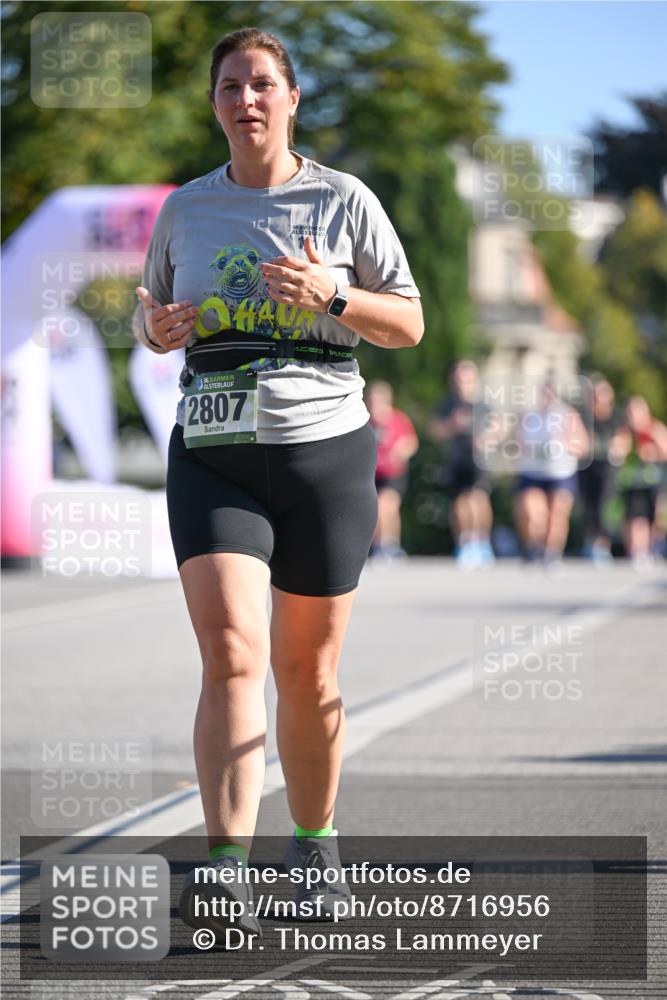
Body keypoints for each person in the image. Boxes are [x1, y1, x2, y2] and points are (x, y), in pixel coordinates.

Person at [133, 27, 422, 939]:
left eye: (261, 85)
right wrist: (158, 332)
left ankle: (314, 845)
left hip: (324, 453)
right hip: (214, 451)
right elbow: (150, 314)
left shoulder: (344, 201)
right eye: (229, 87)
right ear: (214, 103)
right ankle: (224, 869)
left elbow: (408, 325)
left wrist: (330, 297)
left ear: (292, 100)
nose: (245, 101)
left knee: (309, 670)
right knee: (230, 654)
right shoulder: (186, 209)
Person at [514, 379, 589, 568]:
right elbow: (516, 443)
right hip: (533, 472)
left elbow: (583, 446)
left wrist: (564, 443)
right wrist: (530, 448)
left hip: (560, 472)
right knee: (532, 513)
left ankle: (552, 553)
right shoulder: (529, 415)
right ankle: (533, 548)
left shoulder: (568, 414)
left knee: (557, 514)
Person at [429, 360, 494, 568]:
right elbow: (435, 432)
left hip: (478, 458)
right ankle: (465, 543)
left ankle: (482, 541)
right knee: (459, 502)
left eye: (465, 379)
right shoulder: (448, 405)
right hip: (456, 458)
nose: (461, 384)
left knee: (478, 498)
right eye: (458, 379)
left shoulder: (483, 404)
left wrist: (487, 438)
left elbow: (499, 427)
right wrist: (451, 425)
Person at [578, 375, 630, 564]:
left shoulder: (615, 416)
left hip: (608, 468)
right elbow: (582, 441)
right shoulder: (585, 416)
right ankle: (590, 541)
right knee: (589, 504)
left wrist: (616, 449)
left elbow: (622, 440)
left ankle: (603, 544)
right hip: (588, 467)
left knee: (605, 505)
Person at [366, 380, 419, 560]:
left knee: (387, 505)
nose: (376, 403)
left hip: (393, 473)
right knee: (376, 509)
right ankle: (380, 546)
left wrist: (400, 451)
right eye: (373, 399)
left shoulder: (398, 419)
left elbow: (411, 442)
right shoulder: (365, 420)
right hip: (372, 474)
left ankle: (390, 544)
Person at [618, 395, 667, 568]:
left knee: (654, 518)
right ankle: (637, 551)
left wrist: (652, 452)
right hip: (633, 482)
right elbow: (617, 452)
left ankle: (653, 548)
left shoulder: (655, 428)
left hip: (654, 482)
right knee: (635, 518)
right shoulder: (626, 433)